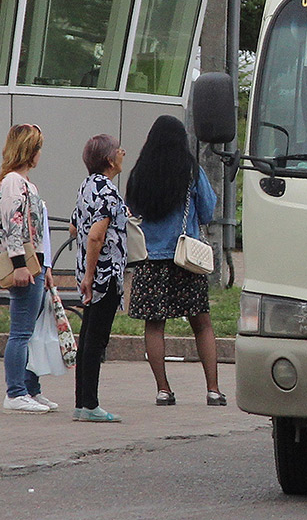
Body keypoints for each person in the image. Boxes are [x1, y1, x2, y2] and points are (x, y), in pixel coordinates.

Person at [123, 115, 225, 406]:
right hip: (186, 260)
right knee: (202, 324)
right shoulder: (190, 171)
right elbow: (207, 211)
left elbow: (132, 209)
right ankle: (213, 390)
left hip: (149, 260)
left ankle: (163, 390)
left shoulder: (139, 173)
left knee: (155, 325)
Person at [0, 123, 59, 414]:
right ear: (29, 151)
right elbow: (13, 227)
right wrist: (21, 265)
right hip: (26, 266)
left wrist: (46, 267)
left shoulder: (25, 184)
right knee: (21, 332)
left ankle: (30, 389)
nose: (41, 155)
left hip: (36, 265)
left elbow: (36, 229)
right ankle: (16, 391)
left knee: (30, 331)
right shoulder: (13, 183)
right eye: (38, 149)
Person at [68, 134, 129, 422]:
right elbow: (96, 235)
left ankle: (82, 402)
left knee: (87, 337)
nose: (123, 153)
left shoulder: (87, 186)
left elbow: (74, 227)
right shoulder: (108, 192)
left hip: (88, 272)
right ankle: (91, 404)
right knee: (96, 340)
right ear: (109, 159)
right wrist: (92, 276)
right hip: (104, 276)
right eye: (118, 150)